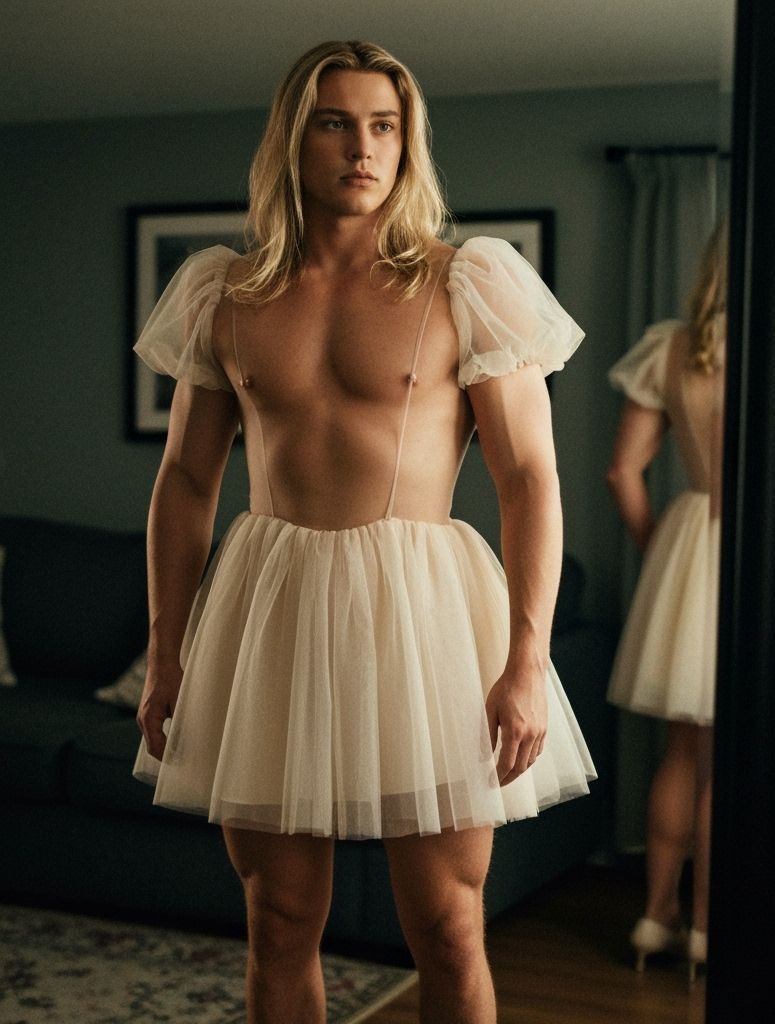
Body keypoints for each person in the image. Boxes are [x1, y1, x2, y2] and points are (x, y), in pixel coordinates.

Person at [132, 40, 595, 1024]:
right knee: (279, 918)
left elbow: (529, 478)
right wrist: (166, 652)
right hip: (272, 609)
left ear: (406, 141)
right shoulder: (227, 293)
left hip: (426, 620)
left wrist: (525, 657)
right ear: (294, 140)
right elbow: (182, 482)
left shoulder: (467, 282)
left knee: (447, 924)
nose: (362, 147)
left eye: (383, 125)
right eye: (336, 122)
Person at [605, 220, 727, 980]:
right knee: (736, 760)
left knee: (682, 751)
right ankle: (712, 929)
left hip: (692, 537)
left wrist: (667, 556)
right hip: (764, 555)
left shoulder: (675, 346)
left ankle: (655, 917)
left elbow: (623, 472)